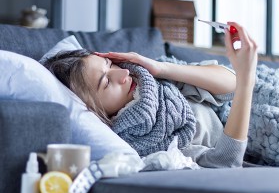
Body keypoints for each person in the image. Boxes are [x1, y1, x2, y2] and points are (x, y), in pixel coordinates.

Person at [44, 22, 258, 168]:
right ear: (92, 110)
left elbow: (232, 84)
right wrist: (246, 78)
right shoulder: (147, 144)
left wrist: (161, 68)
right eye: (106, 82)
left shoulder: (149, 77)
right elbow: (225, 164)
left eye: (110, 64)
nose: (123, 73)